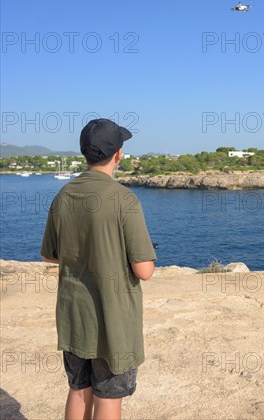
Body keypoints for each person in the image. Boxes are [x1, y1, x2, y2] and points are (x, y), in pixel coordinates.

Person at [40, 118, 157, 420]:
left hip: (74, 318)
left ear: (85, 154)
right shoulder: (124, 200)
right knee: (108, 398)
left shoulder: (63, 196)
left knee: (79, 391)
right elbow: (144, 270)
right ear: (118, 154)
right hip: (113, 323)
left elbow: (51, 255)